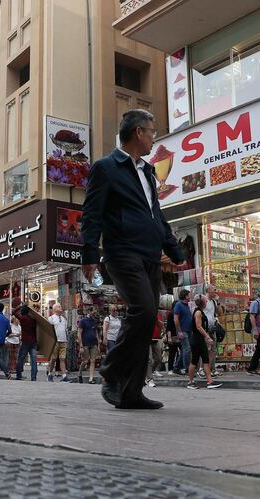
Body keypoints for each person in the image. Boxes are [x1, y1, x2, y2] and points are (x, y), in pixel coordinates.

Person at [82, 109, 186, 409]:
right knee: (142, 310)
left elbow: (156, 215)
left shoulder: (148, 171)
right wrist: (89, 255)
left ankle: (131, 392)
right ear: (138, 132)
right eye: (152, 132)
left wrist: (175, 250)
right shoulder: (106, 168)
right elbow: (92, 214)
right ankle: (112, 370)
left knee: (147, 319)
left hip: (150, 254)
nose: (154, 138)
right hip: (122, 252)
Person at [186, 294, 221, 390]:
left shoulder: (200, 311)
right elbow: (198, 326)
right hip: (197, 339)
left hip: (199, 339)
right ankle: (192, 382)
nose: (206, 302)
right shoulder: (198, 312)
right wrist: (207, 337)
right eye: (205, 301)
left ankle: (209, 381)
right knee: (195, 361)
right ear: (202, 302)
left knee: (204, 360)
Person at [201, 284, 223, 377]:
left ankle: (211, 369)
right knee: (205, 349)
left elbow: (220, 313)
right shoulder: (203, 300)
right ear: (208, 290)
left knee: (213, 349)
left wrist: (217, 302)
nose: (215, 291)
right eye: (213, 290)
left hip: (212, 327)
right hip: (204, 328)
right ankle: (202, 369)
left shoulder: (213, 301)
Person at [171, 290, 192, 376]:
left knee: (184, 350)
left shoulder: (187, 305)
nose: (190, 296)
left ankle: (176, 368)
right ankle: (187, 369)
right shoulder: (178, 305)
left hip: (188, 330)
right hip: (182, 331)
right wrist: (179, 331)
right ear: (185, 296)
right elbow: (176, 319)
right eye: (189, 295)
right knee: (187, 349)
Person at [14, 305, 38, 381]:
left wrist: (20, 306)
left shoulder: (23, 319)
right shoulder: (33, 320)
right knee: (34, 360)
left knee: (21, 359)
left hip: (25, 341)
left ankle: (19, 375)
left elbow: (14, 312)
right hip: (33, 341)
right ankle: (33, 377)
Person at [47, 303, 70, 382]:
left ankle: (64, 376)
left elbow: (65, 330)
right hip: (55, 341)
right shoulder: (51, 319)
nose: (61, 307)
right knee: (53, 359)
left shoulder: (63, 319)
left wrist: (66, 339)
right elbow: (49, 331)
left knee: (62, 358)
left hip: (63, 341)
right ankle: (50, 373)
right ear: (55, 309)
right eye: (59, 306)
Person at [77, 308, 100, 384]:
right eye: (93, 312)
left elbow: (96, 332)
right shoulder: (83, 321)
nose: (94, 314)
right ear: (89, 312)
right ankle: (80, 373)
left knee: (93, 360)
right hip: (85, 343)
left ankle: (91, 378)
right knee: (85, 361)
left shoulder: (94, 321)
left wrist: (98, 344)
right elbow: (79, 333)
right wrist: (81, 346)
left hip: (93, 343)